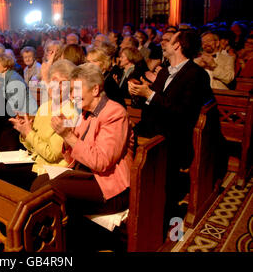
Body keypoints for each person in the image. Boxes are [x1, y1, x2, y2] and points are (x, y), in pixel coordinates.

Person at [128, 29, 222, 229]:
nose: (164, 43)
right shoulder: (164, 71)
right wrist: (138, 93)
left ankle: (168, 227)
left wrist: (150, 95)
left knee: (161, 184)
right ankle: (138, 216)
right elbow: (151, 104)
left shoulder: (197, 75)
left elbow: (182, 112)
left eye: (169, 40)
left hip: (174, 138)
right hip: (152, 130)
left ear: (178, 45)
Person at [30, 63, 133, 247]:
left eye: (76, 90)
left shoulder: (115, 113)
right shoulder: (86, 113)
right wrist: (66, 135)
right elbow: (73, 158)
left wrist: (68, 136)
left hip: (110, 188)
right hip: (87, 175)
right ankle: (52, 244)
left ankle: (54, 246)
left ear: (95, 89)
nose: (71, 96)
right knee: (39, 183)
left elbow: (101, 162)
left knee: (48, 193)